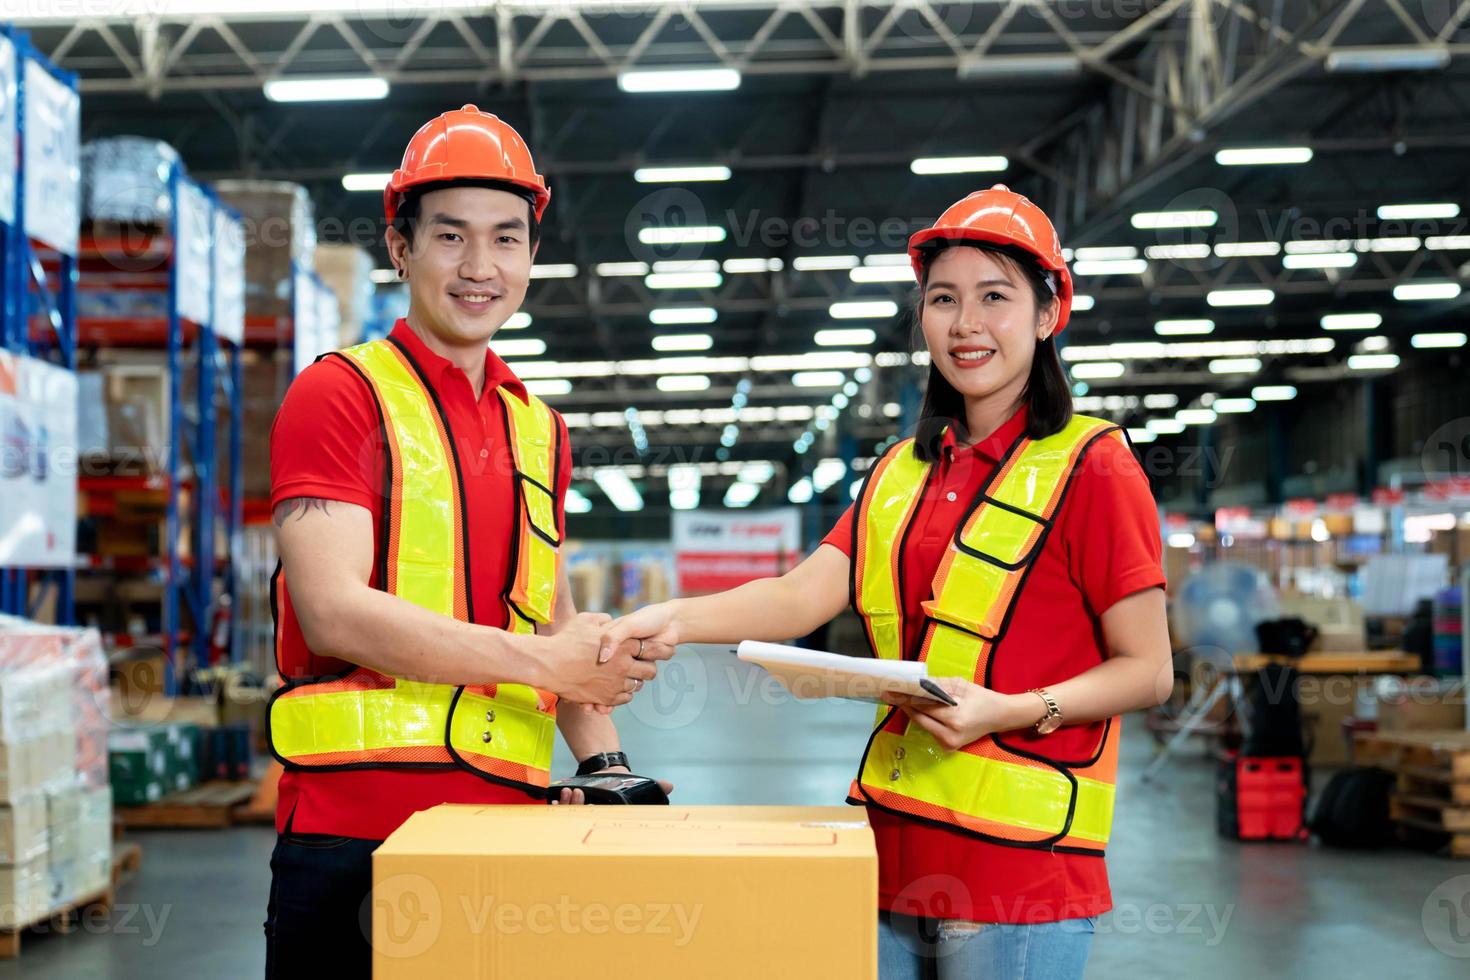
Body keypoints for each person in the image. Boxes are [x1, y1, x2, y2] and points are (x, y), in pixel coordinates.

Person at [603, 185, 1173, 979]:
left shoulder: (1094, 465)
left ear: (1048, 315)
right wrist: (670, 617)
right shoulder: (901, 473)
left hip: (1018, 877)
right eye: (943, 300)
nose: (966, 325)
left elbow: (1148, 669)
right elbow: (802, 595)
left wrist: (1012, 711)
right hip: (887, 849)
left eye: (995, 298)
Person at [263, 105, 670, 979]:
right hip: (356, 837)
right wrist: (550, 665)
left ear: (531, 255)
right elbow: (332, 614)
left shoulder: (540, 430)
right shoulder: (339, 396)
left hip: (508, 830)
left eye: (507, 239)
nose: (480, 268)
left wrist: (607, 762)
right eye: (450, 236)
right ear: (400, 247)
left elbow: (546, 617)